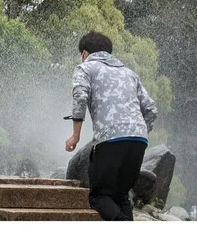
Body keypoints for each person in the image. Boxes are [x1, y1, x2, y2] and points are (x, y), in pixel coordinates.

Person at [65, 31, 158, 221]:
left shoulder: (85, 68)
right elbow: (151, 110)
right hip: (139, 139)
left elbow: (80, 98)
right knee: (121, 195)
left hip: (110, 139)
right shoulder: (129, 73)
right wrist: (136, 131)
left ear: (84, 53)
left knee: (99, 197)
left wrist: (75, 135)